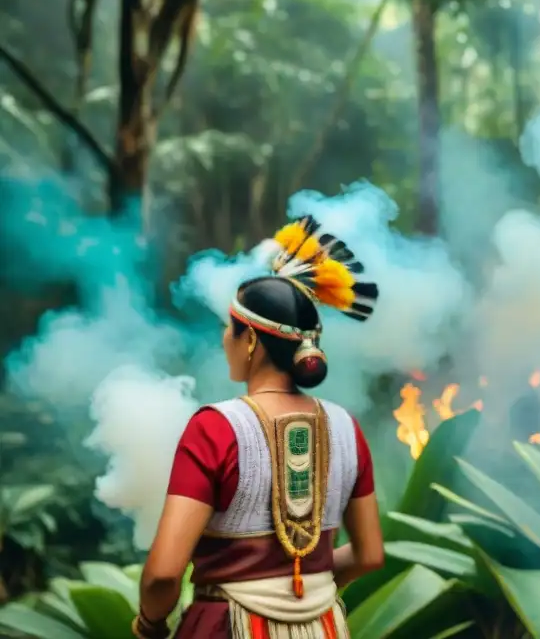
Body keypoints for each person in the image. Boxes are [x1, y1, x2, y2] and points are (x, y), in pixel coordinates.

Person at [131, 216, 385, 639]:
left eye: (228, 329)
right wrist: (301, 594)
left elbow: (162, 575)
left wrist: (149, 625)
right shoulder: (346, 429)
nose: (223, 340)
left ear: (249, 339)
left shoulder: (214, 429)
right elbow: (369, 555)